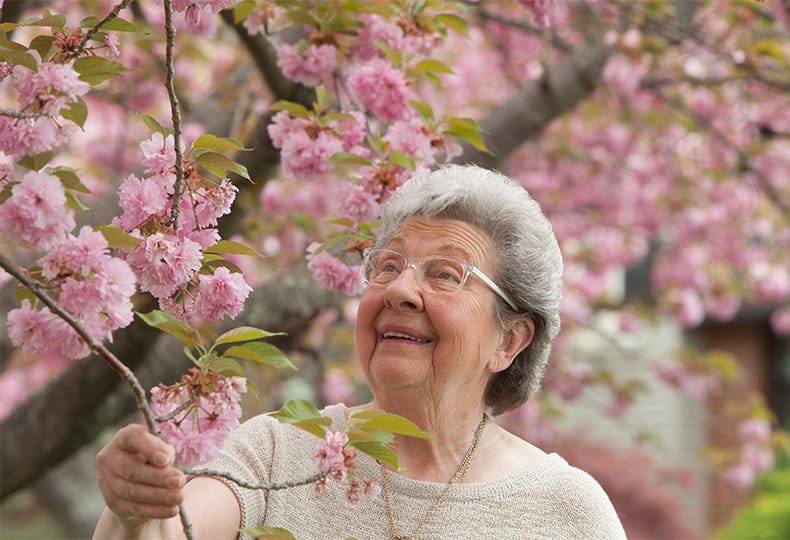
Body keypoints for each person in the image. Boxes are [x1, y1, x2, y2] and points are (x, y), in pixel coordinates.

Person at [93, 164, 627, 539]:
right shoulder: (279, 451)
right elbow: (173, 531)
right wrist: (134, 510)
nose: (399, 290)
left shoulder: (565, 511)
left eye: (445, 274)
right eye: (388, 266)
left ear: (509, 340)